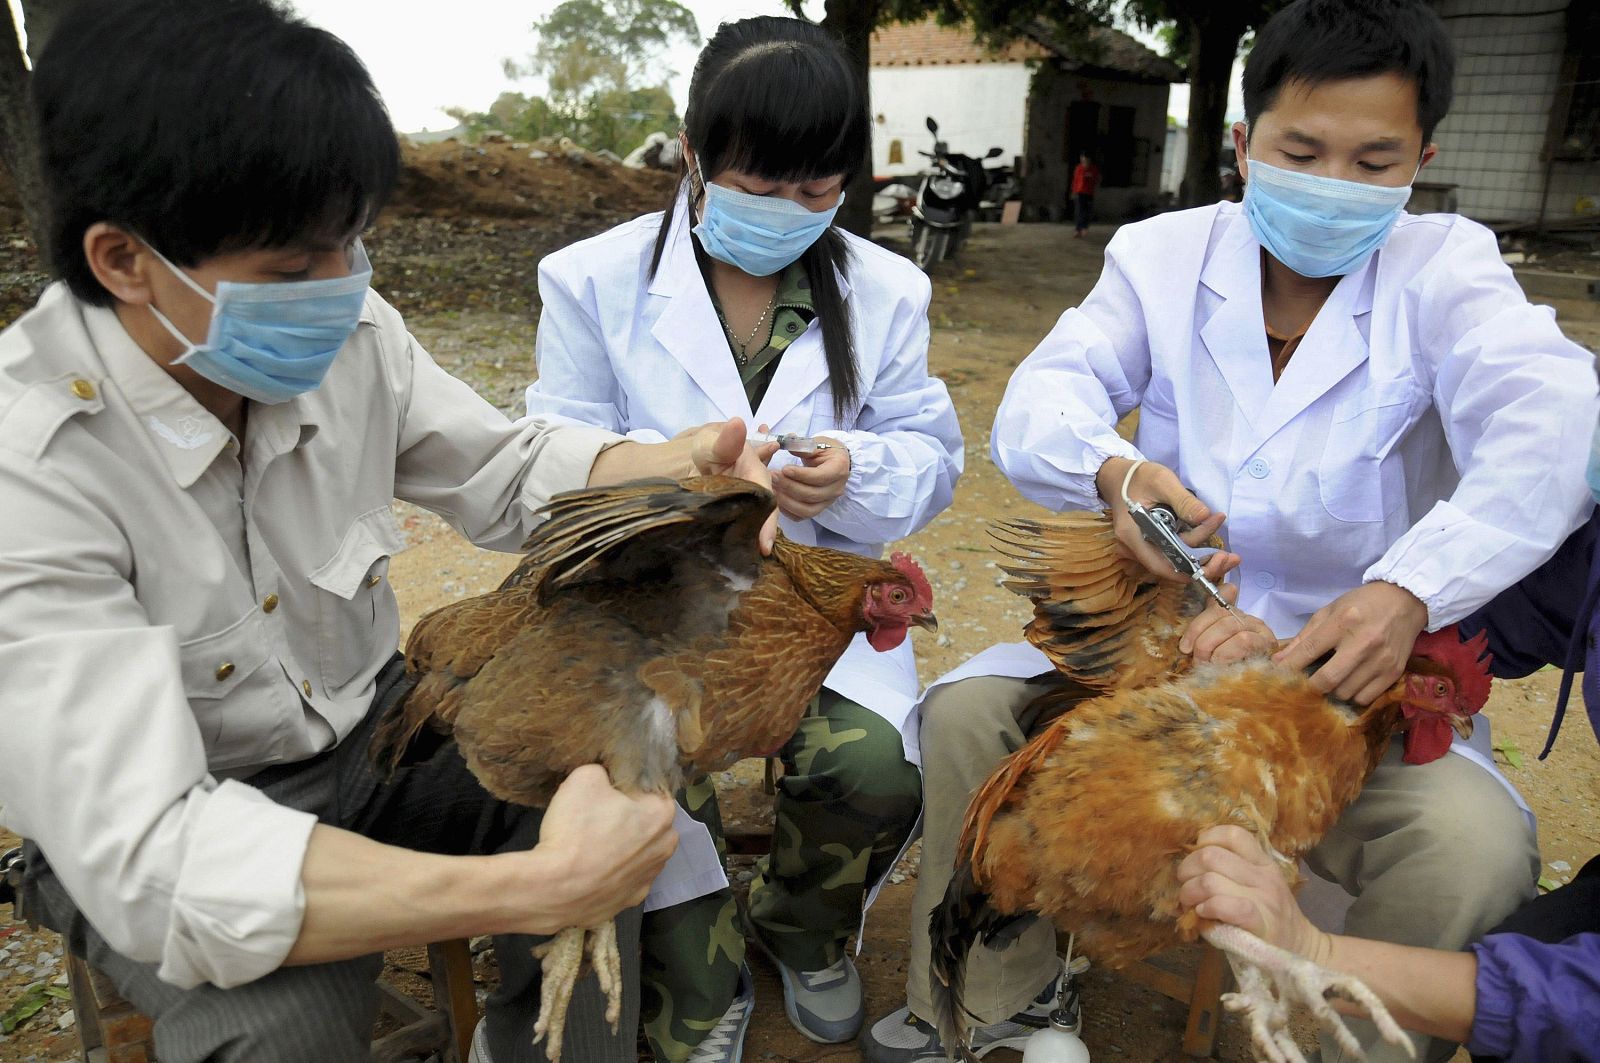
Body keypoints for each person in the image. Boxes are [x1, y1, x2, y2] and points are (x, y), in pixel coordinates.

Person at [0, 2, 782, 1061]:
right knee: (288, 1032)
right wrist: (531, 883)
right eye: (291, 271)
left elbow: (503, 469)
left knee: (591, 771)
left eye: (352, 244)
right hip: (183, 809)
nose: (342, 291)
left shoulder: (353, 333)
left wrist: (673, 465)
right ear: (124, 259)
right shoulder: (30, 468)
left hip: (374, 734)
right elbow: (155, 852)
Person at [859, 2, 1599, 1062]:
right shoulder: (1161, 257)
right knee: (976, 715)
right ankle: (996, 1003)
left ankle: (1342, 1045)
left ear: (1421, 160)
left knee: (1468, 852)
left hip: (1351, 694)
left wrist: (1409, 588)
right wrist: (1115, 474)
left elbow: (1557, 420)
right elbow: (1041, 399)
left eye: (1372, 158)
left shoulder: (1448, 274)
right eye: (1302, 150)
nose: (1333, 180)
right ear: (1244, 143)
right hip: (1161, 651)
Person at [523, 18, 963, 1063]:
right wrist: (685, 479)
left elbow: (932, 458)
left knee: (868, 765)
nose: (790, 213)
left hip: (808, 600)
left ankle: (800, 927)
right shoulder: (589, 280)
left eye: (818, 191)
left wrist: (858, 472)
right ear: (693, 154)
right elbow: (556, 458)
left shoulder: (888, 290)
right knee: (646, 767)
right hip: (646, 605)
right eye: (762, 187)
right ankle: (700, 965)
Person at [1180, 488, 1600, 1063]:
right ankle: (1028, 985)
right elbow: (1518, 610)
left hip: (1332, 706)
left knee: (1481, 867)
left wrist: (1315, 950)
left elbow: (1574, 1004)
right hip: (1193, 638)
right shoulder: (1590, 549)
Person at [1070, 153, 1100, 237]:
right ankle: (1078, 229)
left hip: (1089, 193)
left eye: (1085, 160)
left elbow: (1096, 180)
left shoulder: (1093, 169)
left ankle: (1084, 228)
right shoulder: (1079, 168)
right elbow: (1075, 181)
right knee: (1079, 211)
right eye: (1082, 159)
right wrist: (1074, 191)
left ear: (1089, 160)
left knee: (1087, 211)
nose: (1084, 161)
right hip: (1080, 193)